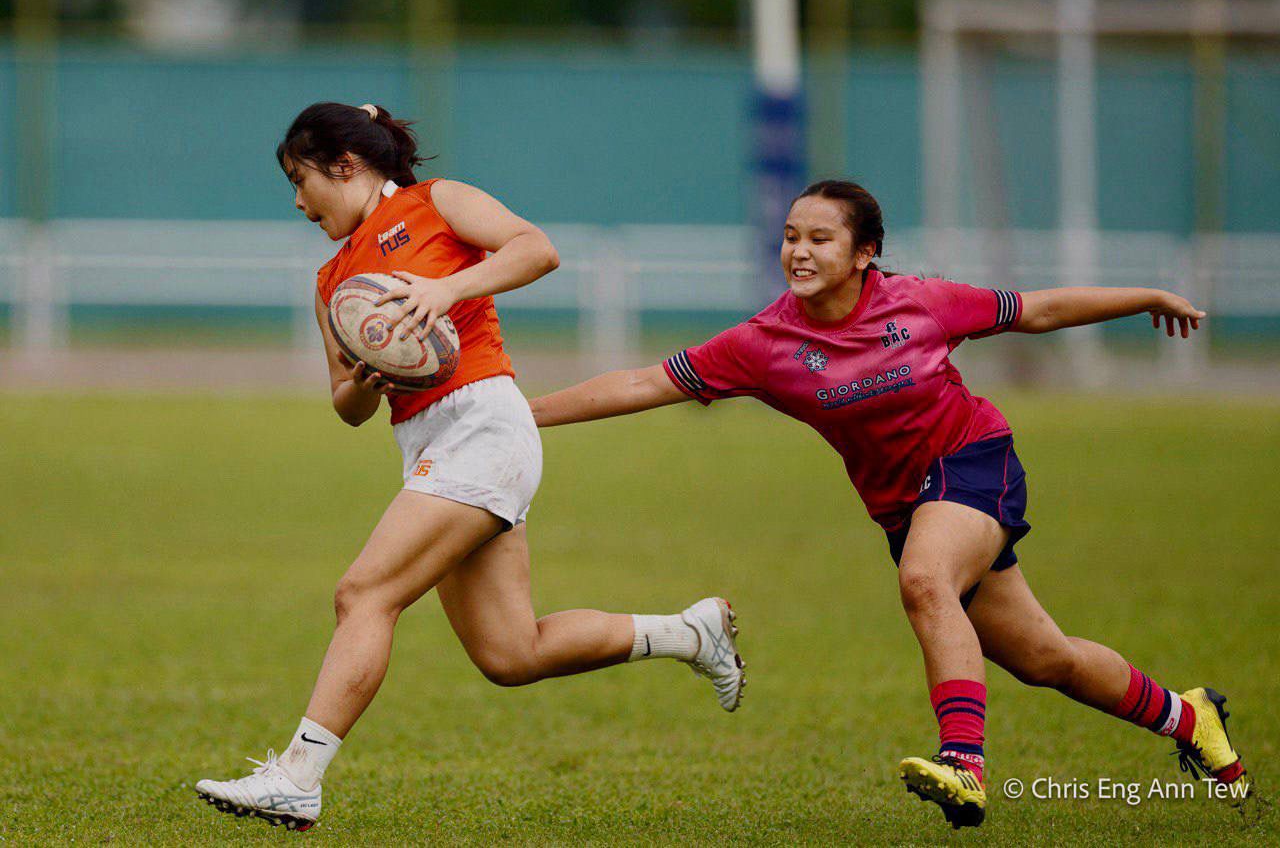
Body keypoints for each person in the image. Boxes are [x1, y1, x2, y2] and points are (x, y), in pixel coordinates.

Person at [528, 179, 1250, 829]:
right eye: (789, 237)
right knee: (1045, 659)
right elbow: (638, 384)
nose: (798, 252)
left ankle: (965, 766)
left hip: (973, 462)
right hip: (906, 508)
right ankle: (1190, 718)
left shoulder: (922, 302)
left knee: (925, 580)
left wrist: (1147, 296)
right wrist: (521, 414)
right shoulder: (765, 342)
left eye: (819, 239)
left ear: (865, 251)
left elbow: (1040, 308)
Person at [194, 102, 745, 832]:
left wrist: (444, 290)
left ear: (346, 165)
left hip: (484, 424)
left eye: (301, 180)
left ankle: (298, 775)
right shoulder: (332, 281)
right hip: (429, 444)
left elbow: (537, 248)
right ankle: (689, 632)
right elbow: (345, 407)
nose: (298, 201)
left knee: (364, 592)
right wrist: (366, 373)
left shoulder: (436, 203)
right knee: (510, 653)